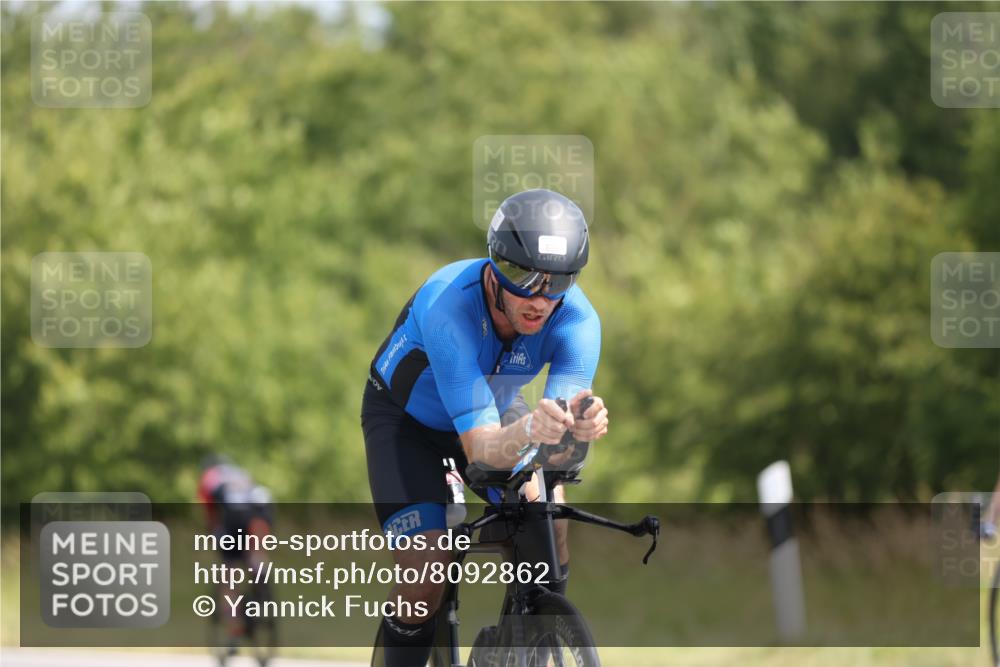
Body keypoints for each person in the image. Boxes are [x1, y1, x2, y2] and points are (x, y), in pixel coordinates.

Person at [362, 189, 609, 666]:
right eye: (523, 275)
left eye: (558, 281)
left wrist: (576, 434)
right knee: (425, 573)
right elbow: (481, 451)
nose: (540, 297)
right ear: (495, 266)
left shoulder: (577, 321)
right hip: (406, 423)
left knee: (549, 517)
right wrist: (534, 434)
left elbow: (553, 450)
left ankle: (527, 636)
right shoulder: (448, 306)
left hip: (494, 409)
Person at [197, 454, 273, 650]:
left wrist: (214, 532)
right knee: (256, 559)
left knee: (229, 576)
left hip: (232, 518)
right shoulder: (240, 474)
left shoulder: (209, 477)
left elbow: (210, 513)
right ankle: (260, 586)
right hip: (260, 513)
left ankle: (234, 628)